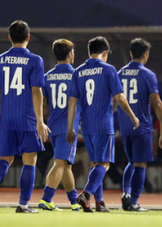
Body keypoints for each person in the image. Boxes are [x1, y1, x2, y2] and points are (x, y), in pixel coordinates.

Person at [66, 36, 140, 213]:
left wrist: (71, 127)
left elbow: (72, 102)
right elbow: (120, 97)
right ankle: (86, 194)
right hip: (103, 124)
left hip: (87, 125)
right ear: (105, 53)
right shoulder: (109, 70)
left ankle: (99, 203)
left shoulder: (78, 72)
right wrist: (133, 117)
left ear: (89, 52)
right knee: (104, 164)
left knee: (94, 164)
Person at [0, 20, 50, 214]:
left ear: (10, 37)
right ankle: (23, 205)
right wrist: (40, 121)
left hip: (7, 118)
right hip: (27, 117)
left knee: (5, 158)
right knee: (30, 161)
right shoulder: (35, 60)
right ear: (28, 37)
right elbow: (36, 91)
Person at [118, 38, 162, 212]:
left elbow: (113, 100)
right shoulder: (148, 74)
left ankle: (125, 193)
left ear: (131, 53)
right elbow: (156, 102)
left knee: (131, 161)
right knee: (140, 164)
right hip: (142, 126)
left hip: (124, 126)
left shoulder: (120, 73)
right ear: (146, 54)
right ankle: (133, 202)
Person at [39, 39, 81, 211]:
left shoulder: (47, 76)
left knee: (66, 165)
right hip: (68, 127)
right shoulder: (77, 75)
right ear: (70, 54)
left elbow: (40, 101)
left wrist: (40, 122)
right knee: (60, 163)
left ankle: (74, 202)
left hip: (53, 126)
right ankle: (46, 198)